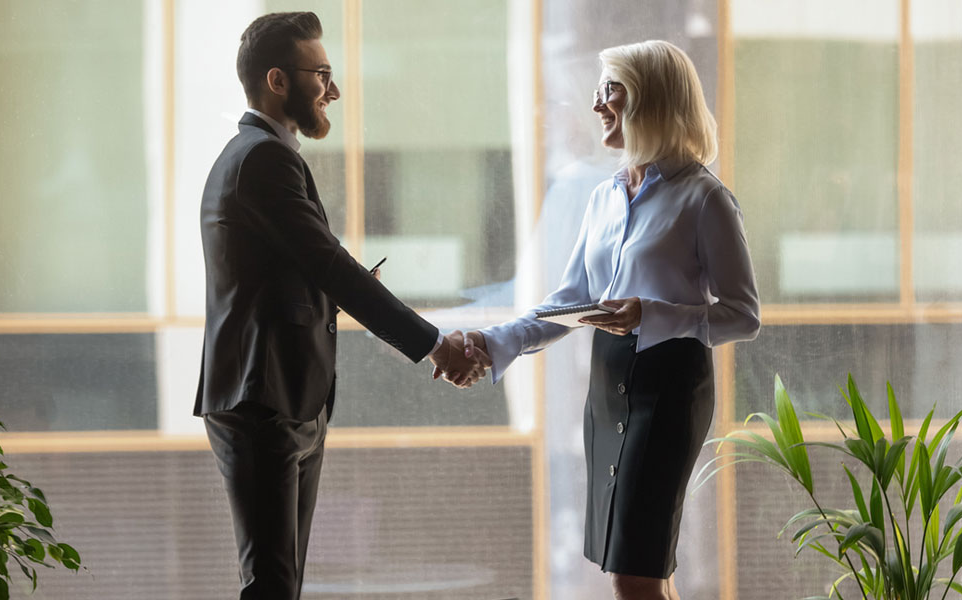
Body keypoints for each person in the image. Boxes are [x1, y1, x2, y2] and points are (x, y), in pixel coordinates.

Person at [195, 12, 488, 600]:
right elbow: (330, 266)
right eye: (321, 74)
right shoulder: (261, 157)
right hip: (264, 400)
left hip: (289, 396)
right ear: (278, 81)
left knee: (283, 585)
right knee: (272, 586)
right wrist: (435, 344)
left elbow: (307, 271)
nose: (333, 90)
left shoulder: (268, 154)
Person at [463, 40, 760, 600]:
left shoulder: (705, 198)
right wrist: (491, 341)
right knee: (635, 572)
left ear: (649, 98)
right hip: (606, 389)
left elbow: (742, 316)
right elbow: (572, 300)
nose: (597, 105)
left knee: (635, 574)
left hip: (668, 392)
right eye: (598, 91)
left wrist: (652, 314)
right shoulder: (602, 197)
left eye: (610, 91)